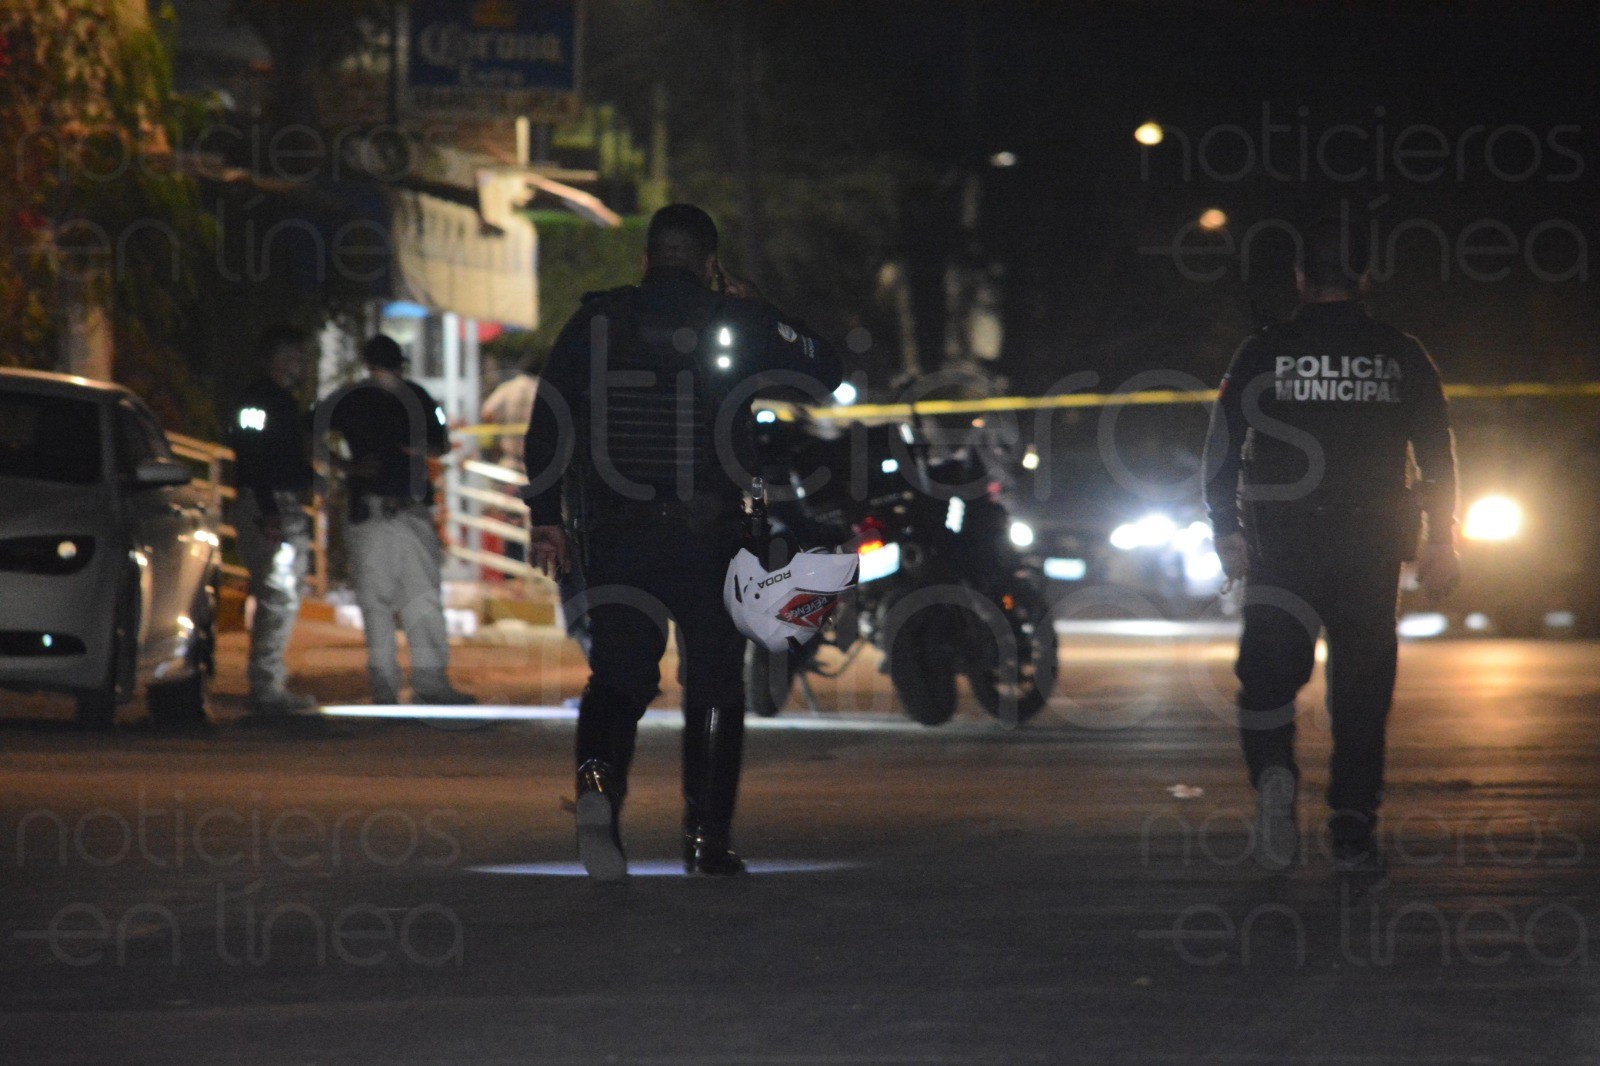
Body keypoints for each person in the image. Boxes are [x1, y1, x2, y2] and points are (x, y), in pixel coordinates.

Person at [521, 203, 842, 880]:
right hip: (712, 535)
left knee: (618, 674)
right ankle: (705, 839)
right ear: (708, 264)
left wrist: (545, 515)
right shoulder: (740, 322)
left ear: (645, 259)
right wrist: (763, 306)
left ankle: (599, 787)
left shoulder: (597, 320)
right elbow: (824, 371)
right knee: (716, 680)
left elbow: (549, 421)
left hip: (617, 533)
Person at [1203, 216, 1460, 873]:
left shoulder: (1264, 350)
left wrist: (1225, 530)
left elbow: (1223, 447)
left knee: (1265, 681)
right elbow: (1436, 453)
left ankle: (1273, 780)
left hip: (1281, 541)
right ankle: (1351, 832)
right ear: (1364, 278)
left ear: (1298, 279)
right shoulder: (1401, 352)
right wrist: (1442, 539)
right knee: (1362, 694)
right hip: (1370, 545)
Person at [319, 334, 475, 706]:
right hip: (382, 509)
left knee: (394, 600)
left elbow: (440, 443)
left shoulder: (382, 396)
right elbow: (307, 433)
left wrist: (346, 465)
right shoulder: (387, 396)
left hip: (402, 508)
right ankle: (408, 685)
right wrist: (346, 465)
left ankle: (411, 685)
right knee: (395, 599)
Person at [227, 326, 317, 716]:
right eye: (296, 357)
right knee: (277, 596)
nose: (301, 365)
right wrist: (269, 512)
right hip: (270, 509)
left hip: (278, 507)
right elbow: (252, 455)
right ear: (279, 358)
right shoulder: (260, 401)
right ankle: (265, 689)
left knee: (282, 596)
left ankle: (270, 682)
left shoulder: (280, 401)